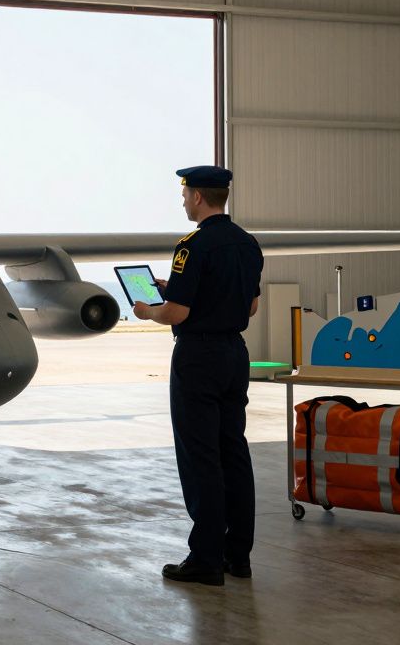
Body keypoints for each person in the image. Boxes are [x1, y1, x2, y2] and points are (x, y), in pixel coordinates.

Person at [132, 165, 264, 587]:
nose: (184, 202)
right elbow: (250, 307)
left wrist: (148, 311)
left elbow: (176, 313)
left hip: (199, 358)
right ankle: (237, 556)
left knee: (200, 456)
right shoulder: (247, 243)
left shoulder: (192, 245)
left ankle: (205, 558)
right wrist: (175, 288)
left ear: (198, 197)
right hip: (234, 355)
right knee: (233, 451)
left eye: (185, 195)